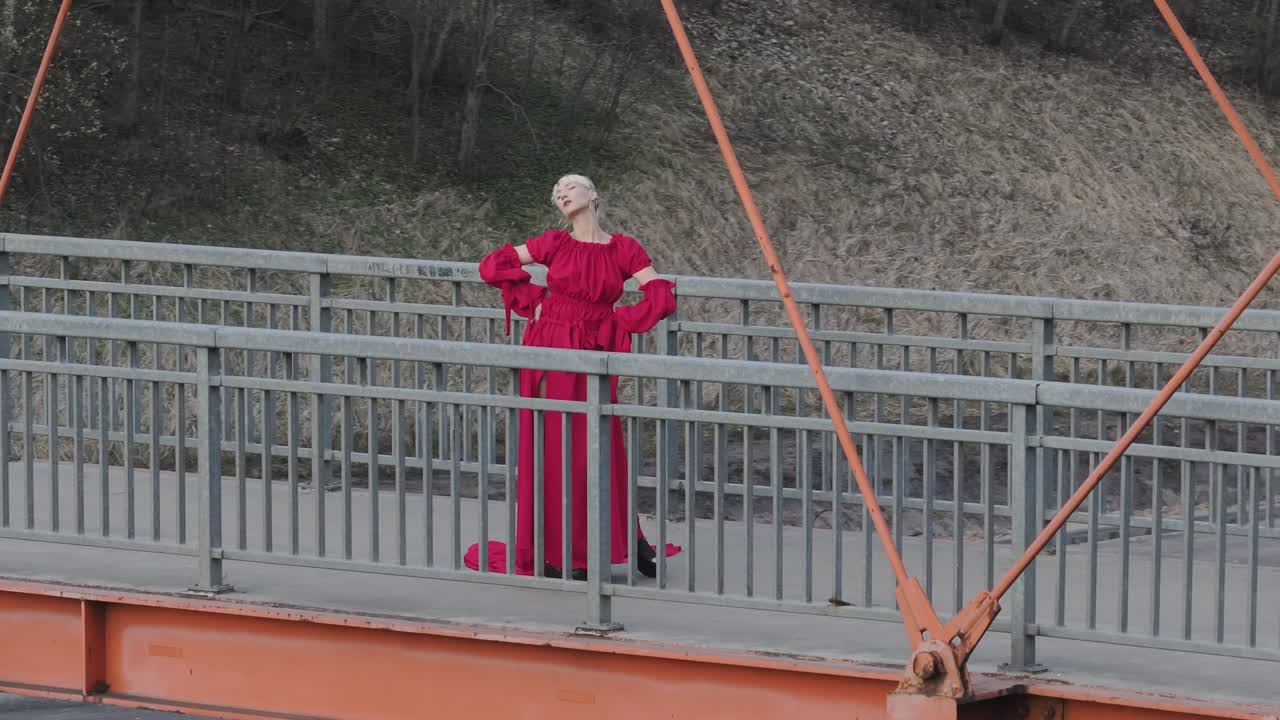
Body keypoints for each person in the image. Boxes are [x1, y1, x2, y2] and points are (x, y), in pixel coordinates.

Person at [464, 174, 679, 580]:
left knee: (597, 448)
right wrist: (534, 301)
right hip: (548, 345)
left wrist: (619, 319)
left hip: (593, 350)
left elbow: (660, 295)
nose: (562, 193)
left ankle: (625, 540)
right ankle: (558, 551)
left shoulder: (623, 248)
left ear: (593, 194)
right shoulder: (554, 243)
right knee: (551, 448)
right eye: (556, 192)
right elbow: (495, 264)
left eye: (570, 186)